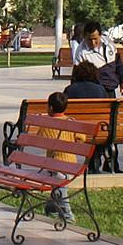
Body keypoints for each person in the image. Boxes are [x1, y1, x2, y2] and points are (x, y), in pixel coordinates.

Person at [40, 89, 78, 225]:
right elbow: (81, 137)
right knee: (58, 183)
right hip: (71, 164)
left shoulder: (47, 124)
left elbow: (40, 139)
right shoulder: (70, 121)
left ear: (50, 108)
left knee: (60, 185)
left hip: (56, 165)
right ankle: (51, 207)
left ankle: (68, 214)